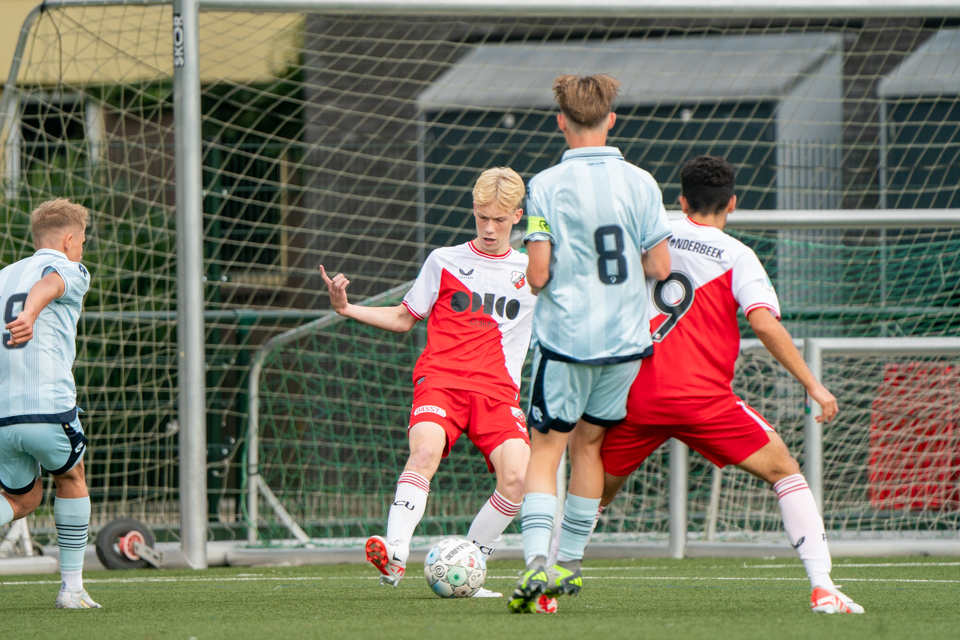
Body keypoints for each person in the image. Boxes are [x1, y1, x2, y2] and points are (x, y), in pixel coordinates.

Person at [599, 155, 864, 614]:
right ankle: (822, 586)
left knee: (593, 492)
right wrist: (813, 385)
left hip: (637, 394)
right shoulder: (738, 255)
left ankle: (544, 584)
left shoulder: (652, 233)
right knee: (786, 472)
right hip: (703, 401)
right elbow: (763, 323)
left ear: (682, 201)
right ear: (733, 203)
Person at [320, 167, 536, 597]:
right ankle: (395, 552)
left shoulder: (534, 272)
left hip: (497, 393)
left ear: (517, 216)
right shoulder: (444, 260)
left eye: (498, 219)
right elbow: (405, 318)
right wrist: (347, 309)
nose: (488, 228)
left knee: (517, 478)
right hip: (441, 381)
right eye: (481, 217)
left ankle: (471, 564)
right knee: (423, 452)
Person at [510, 74, 672, 613]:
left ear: (561, 121)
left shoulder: (545, 184)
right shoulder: (642, 182)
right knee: (589, 446)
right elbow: (660, 265)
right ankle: (570, 563)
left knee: (546, 449)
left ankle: (536, 563)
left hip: (568, 340)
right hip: (625, 341)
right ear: (612, 120)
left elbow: (537, 274)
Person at [0, 198, 99, 609]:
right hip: (47, 406)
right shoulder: (70, 268)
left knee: (22, 500)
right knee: (72, 477)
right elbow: (50, 285)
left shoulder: (4, 276)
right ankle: (72, 590)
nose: (82, 251)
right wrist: (30, 313)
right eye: (83, 243)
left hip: (3, 414)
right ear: (70, 240)